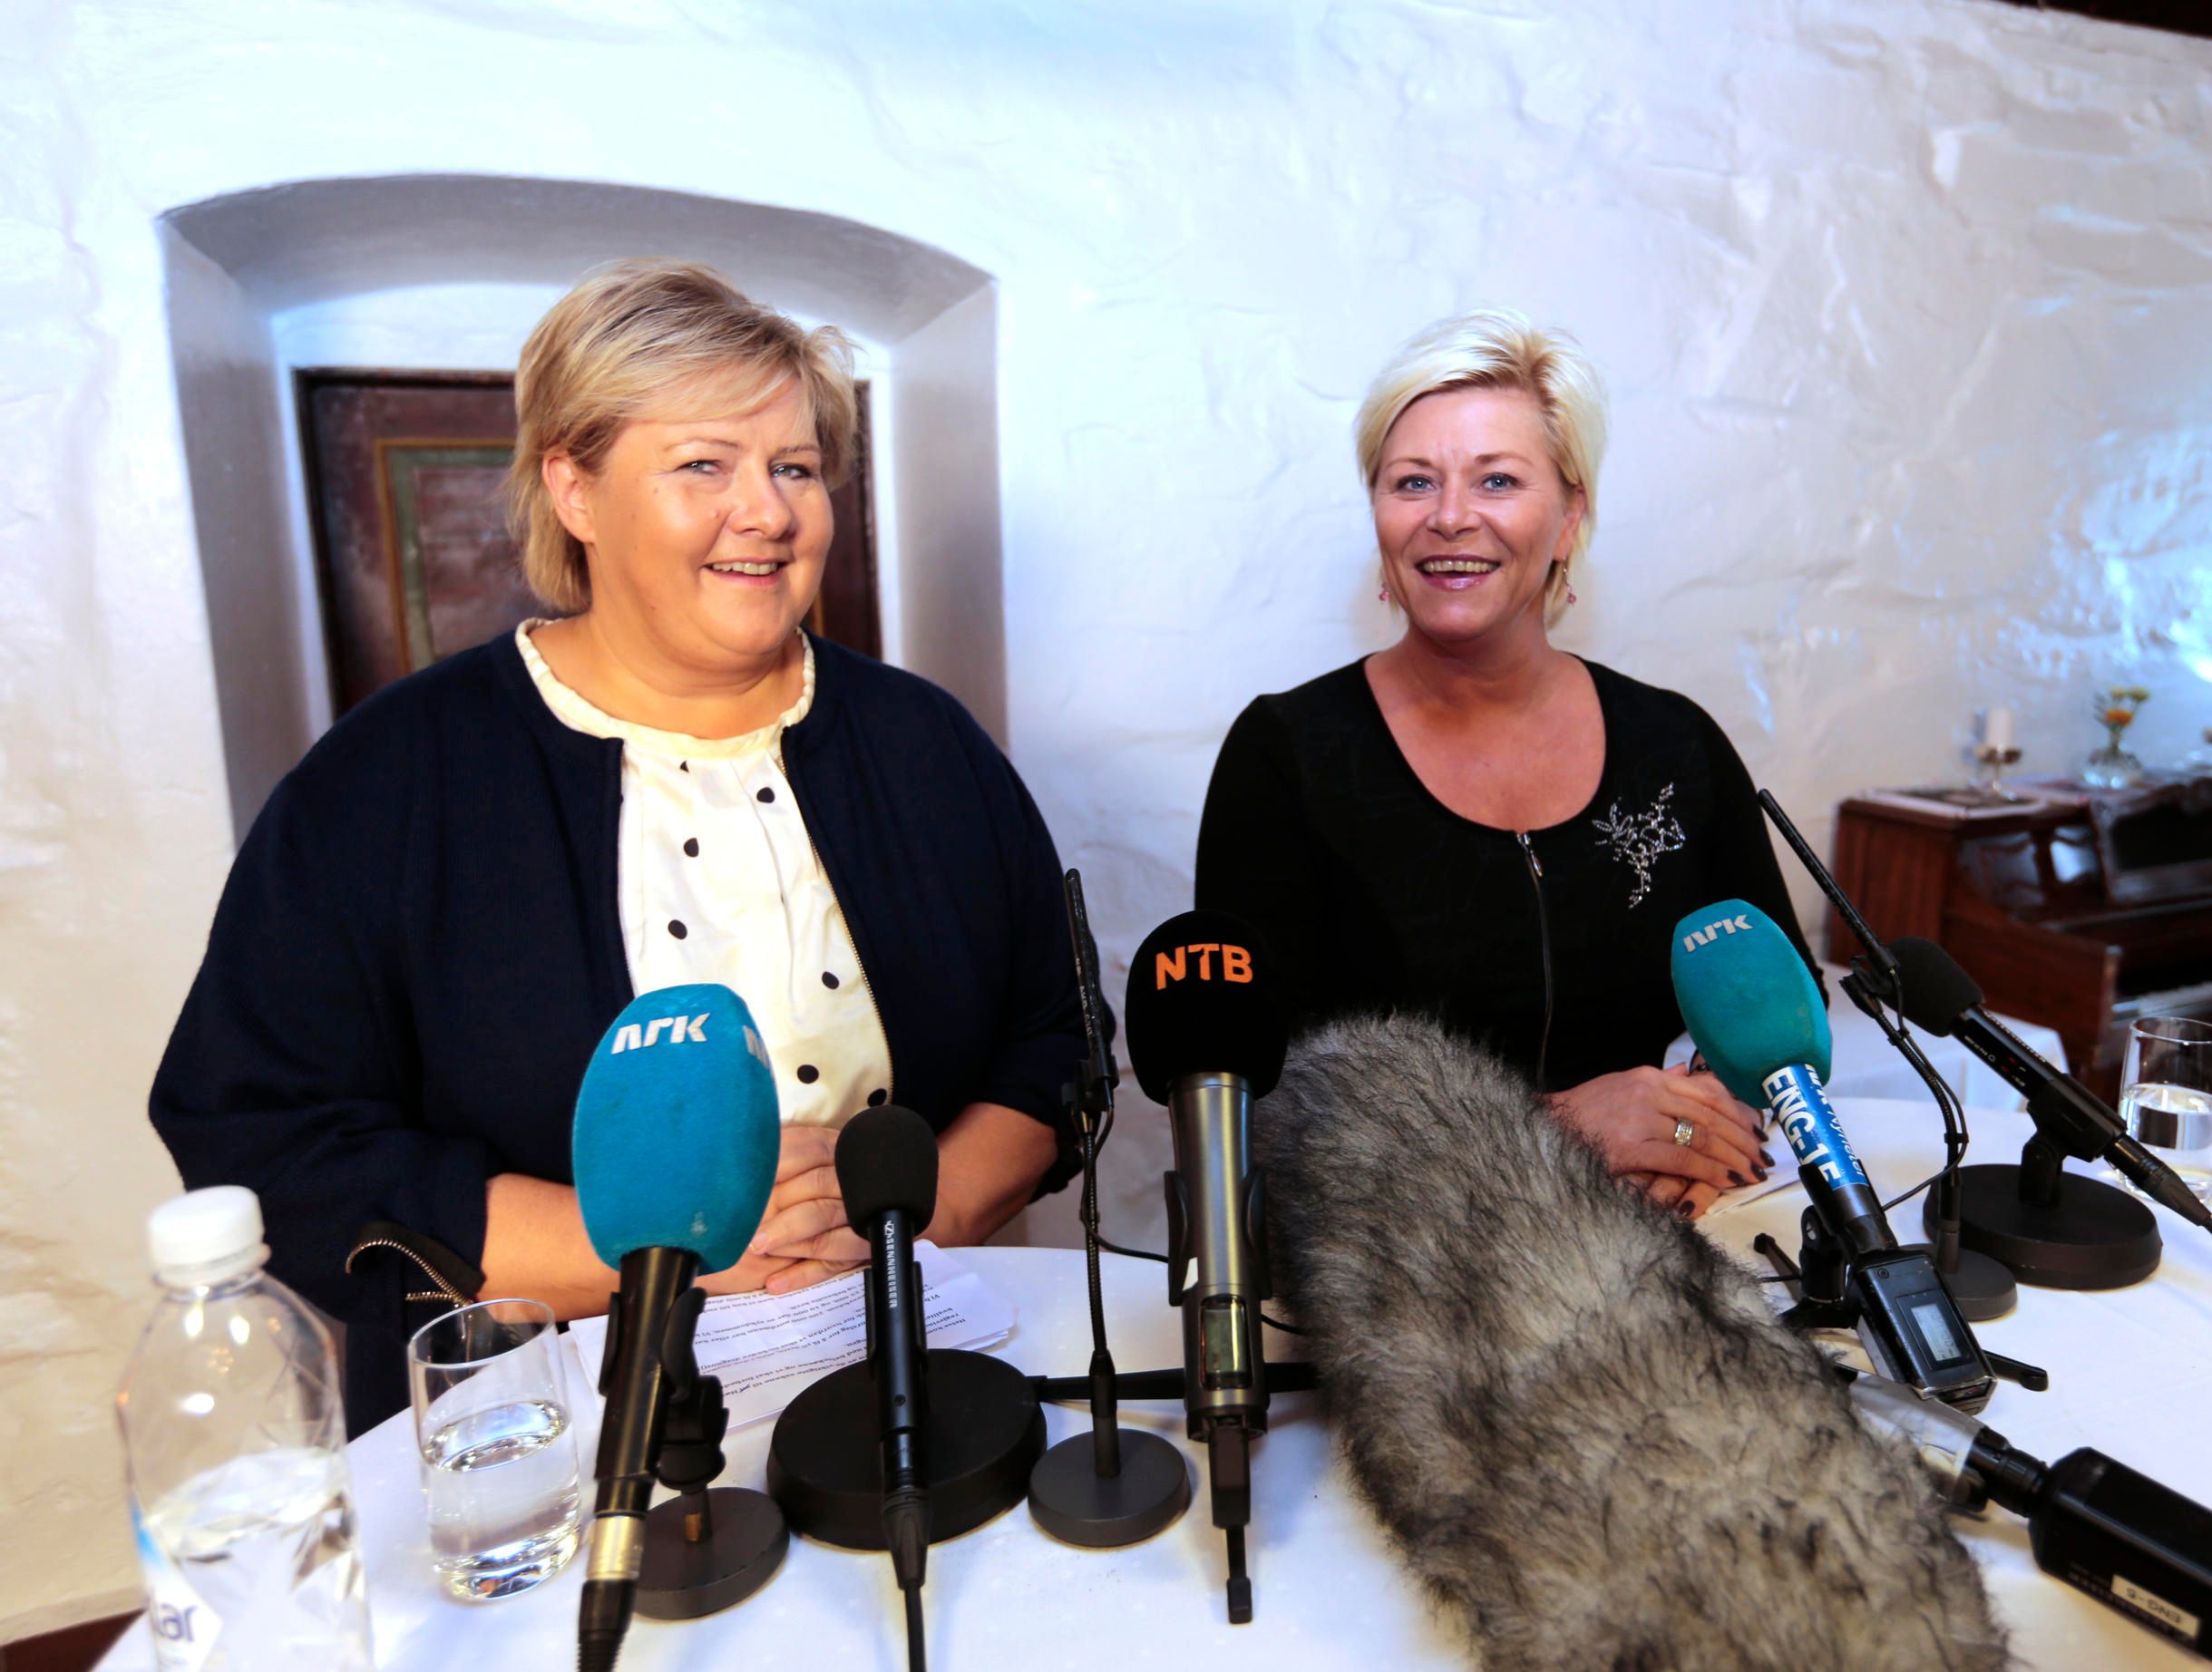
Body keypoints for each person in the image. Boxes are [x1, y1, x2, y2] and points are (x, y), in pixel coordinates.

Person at [152, 261, 1082, 1428]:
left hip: (916, 1377)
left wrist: (916, 1208)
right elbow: (265, 1134)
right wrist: (649, 1243)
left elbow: (1054, 1037)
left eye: (795, 467)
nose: (768, 512)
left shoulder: (924, 741)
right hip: (555, 1427)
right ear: (575, 490)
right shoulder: (388, 779)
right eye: (704, 464)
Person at [1196, 309, 1817, 1220]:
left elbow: (1777, 1006)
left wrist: (1694, 1123)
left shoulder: (1674, 744)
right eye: (1413, 481)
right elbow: (1257, 1096)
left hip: (1668, 1233)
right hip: (1401, 1252)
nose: (1450, 516)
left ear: (1569, 517)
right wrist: (1561, 1128)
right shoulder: (1285, 756)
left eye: (1497, 479)